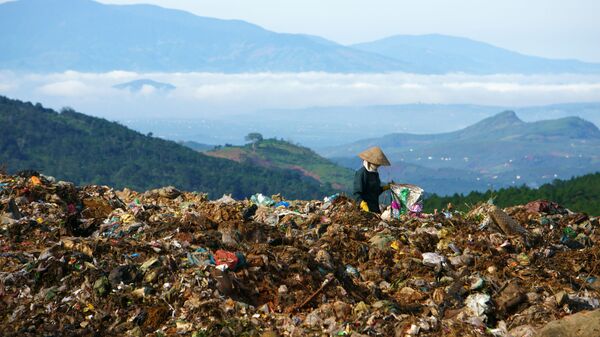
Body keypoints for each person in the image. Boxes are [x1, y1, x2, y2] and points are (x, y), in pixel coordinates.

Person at [353, 146, 392, 213]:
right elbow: (356, 193)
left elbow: (374, 191)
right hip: (364, 209)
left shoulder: (375, 173)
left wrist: (385, 188)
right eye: (376, 164)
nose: (377, 166)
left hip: (375, 207)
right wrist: (362, 203)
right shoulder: (361, 173)